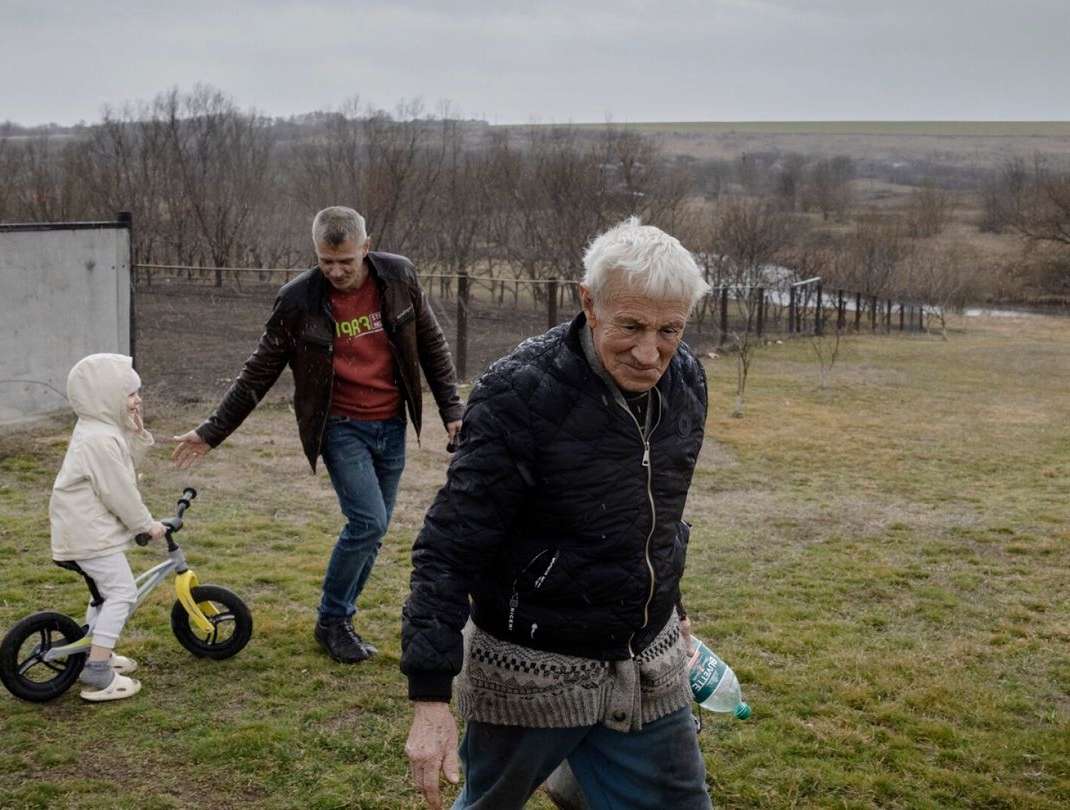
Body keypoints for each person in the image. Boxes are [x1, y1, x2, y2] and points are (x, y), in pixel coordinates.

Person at [401, 217, 714, 809]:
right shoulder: (519, 394)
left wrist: (670, 606)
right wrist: (429, 697)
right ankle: (573, 764)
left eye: (670, 330)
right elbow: (450, 546)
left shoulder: (687, 381)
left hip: (644, 662)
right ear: (589, 304)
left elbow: (657, 514)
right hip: (531, 674)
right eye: (631, 326)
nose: (651, 353)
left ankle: (581, 772)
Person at [172, 206, 464, 664]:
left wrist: (452, 409)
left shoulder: (399, 278)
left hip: (391, 423)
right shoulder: (298, 300)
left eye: (346, 261)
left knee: (375, 529)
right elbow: (259, 372)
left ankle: (341, 616)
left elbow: (430, 342)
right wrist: (212, 431)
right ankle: (331, 619)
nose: (336, 271)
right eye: (326, 262)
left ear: (366, 247)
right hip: (339, 426)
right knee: (368, 522)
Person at [49, 353, 167, 702]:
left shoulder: (100, 430)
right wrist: (146, 525)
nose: (138, 399)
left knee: (103, 594)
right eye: (131, 394)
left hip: (84, 529)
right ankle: (97, 670)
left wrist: (137, 429)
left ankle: (93, 650)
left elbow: (124, 465)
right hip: (88, 534)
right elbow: (119, 492)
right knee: (122, 593)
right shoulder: (99, 439)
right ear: (107, 397)